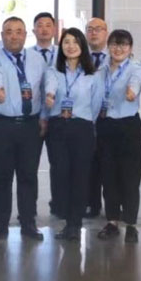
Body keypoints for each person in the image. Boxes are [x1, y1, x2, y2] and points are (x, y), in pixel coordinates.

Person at [0, 17, 55, 241]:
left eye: (18, 31)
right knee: (1, 176)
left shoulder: (37, 59)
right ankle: (0, 224)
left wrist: (43, 116)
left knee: (28, 176)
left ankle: (28, 222)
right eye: (8, 32)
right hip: (2, 125)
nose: (13, 36)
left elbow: (44, 88)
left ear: (26, 35)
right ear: (2, 35)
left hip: (29, 125)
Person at [47, 28, 103, 241]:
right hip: (58, 127)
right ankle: (64, 214)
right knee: (60, 173)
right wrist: (50, 96)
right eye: (66, 42)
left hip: (82, 128)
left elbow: (96, 104)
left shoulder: (93, 75)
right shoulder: (54, 71)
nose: (70, 46)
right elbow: (50, 88)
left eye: (75, 42)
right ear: (61, 46)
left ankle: (74, 224)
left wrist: (86, 121)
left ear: (83, 46)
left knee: (80, 176)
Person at [95, 29, 141, 243]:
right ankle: (112, 221)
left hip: (128, 126)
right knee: (108, 175)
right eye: (114, 44)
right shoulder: (101, 69)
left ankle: (131, 224)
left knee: (130, 177)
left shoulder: (136, 68)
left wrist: (131, 92)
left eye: (123, 44)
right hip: (105, 125)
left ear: (130, 48)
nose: (118, 49)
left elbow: (135, 84)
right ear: (108, 47)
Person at [31, 11, 59, 217]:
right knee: (29, 165)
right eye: (39, 25)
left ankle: (58, 204)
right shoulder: (25, 55)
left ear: (55, 29)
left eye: (48, 25)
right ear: (33, 30)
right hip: (32, 115)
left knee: (58, 163)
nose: (44, 29)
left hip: (57, 115)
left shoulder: (64, 53)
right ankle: (29, 207)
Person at [84, 17, 109, 219]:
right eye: (90, 29)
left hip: (110, 118)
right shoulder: (79, 57)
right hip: (86, 117)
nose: (94, 33)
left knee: (109, 163)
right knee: (89, 163)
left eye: (98, 29)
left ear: (106, 33)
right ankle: (91, 204)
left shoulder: (117, 56)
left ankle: (113, 206)